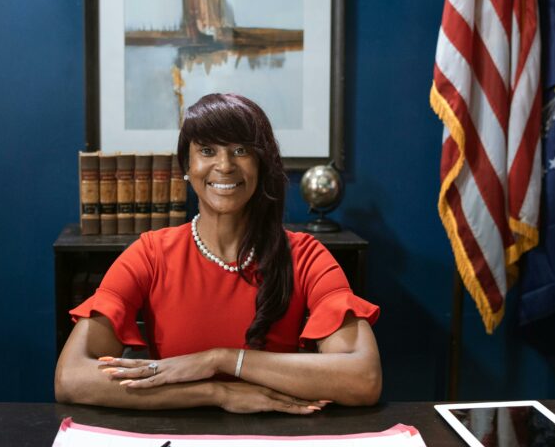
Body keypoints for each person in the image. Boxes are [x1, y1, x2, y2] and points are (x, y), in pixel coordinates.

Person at [55, 93, 381, 414]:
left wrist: (220, 359)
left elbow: (363, 379)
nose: (224, 166)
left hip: (278, 442)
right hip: (174, 436)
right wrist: (215, 392)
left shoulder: (307, 256)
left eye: (240, 150)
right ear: (187, 165)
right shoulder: (149, 254)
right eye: (207, 151)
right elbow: (71, 378)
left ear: (261, 163)